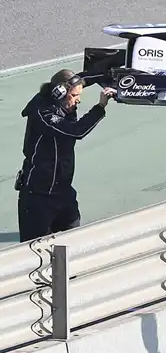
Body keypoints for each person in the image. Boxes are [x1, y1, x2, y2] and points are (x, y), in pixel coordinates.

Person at [15, 68, 116, 242]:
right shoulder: (42, 113)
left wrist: (116, 75)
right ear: (59, 93)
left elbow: (84, 77)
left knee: (74, 242)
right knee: (34, 250)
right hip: (38, 196)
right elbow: (76, 131)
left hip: (63, 192)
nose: (78, 100)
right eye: (74, 95)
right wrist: (100, 107)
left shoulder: (64, 100)